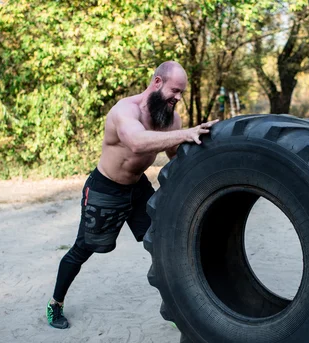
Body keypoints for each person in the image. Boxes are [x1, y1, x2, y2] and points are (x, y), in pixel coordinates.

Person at [46, 61, 219, 329]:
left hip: (138, 190)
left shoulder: (170, 118)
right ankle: (55, 304)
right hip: (106, 187)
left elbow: (174, 157)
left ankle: (184, 306)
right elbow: (137, 143)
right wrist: (186, 133)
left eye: (182, 93)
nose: (178, 98)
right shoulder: (125, 111)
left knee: (164, 241)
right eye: (175, 90)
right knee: (83, 248)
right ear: (158, 82)